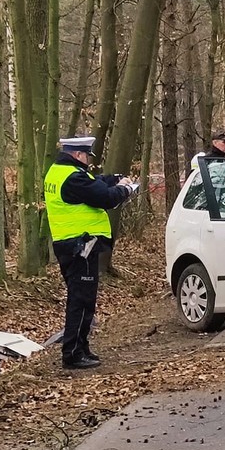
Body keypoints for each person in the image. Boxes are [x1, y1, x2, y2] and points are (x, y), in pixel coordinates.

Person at [44, 136, 137, 369]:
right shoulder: (73, 177)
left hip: (71, 245)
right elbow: (104, 197)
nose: (88, 160)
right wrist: (124, 189)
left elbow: (94, 183)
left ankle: (80, 347)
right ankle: (73, 353)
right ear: (78, 155)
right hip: (80, 246)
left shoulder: (61, 172)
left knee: (82, 298)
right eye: (87, 156)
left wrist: (113, 179)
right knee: (82, 300)